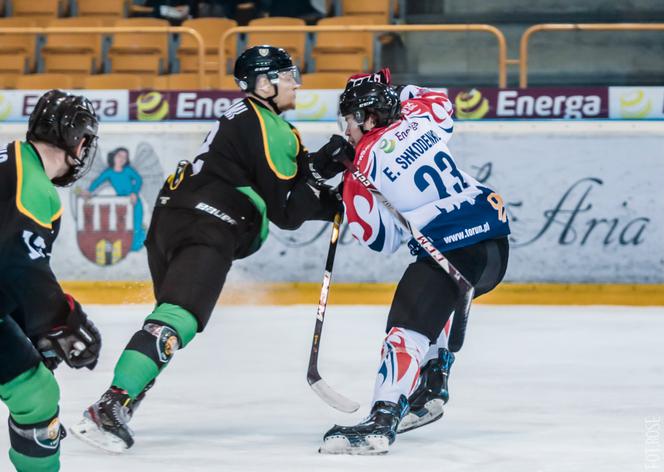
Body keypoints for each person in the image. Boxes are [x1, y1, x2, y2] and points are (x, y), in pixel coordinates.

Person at [70, 45, 353, 452]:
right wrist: (336, 200)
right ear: (263, 84)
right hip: (210, 222)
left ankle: (122, 403)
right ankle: (110, 407)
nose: (297, 82)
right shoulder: (269, 125)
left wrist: (323, 171)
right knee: (177, 318)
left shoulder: (244, 120)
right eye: (288, 75)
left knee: (169, 321)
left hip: (171, 219)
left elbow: (282, 177)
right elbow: (287, 208)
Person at [316, 73, 511, 455]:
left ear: (365, 117)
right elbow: (441, 103)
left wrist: (346, 187)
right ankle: (432, 382)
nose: (349, 130)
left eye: (351, 121)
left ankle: (382, 419)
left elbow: (382, 241)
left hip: (452, 249)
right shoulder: (419, 119)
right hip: (495, 245)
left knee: (406, 329)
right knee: (435, 306)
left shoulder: (363, 164)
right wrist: (396, 93)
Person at [0, 89, 102, 471]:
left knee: (36, 392)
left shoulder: (12, 159)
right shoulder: (35, 188)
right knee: (36, 394)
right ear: (75, 139)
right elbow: (16, 261)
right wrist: (58, 320)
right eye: (86, 139)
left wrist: (33, 324)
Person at [84, 147, 146, 251]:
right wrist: (89, 191)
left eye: (124, 157)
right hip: (121, 203)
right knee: (120, 226)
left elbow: (138, 180)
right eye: (119, 156)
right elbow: (98, 181)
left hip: (134, 202)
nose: (122, 159)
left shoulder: (128, 170)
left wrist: (134, 193)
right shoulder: (109, 172)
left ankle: (141, 235)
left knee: (136, 231)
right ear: (114, 157)